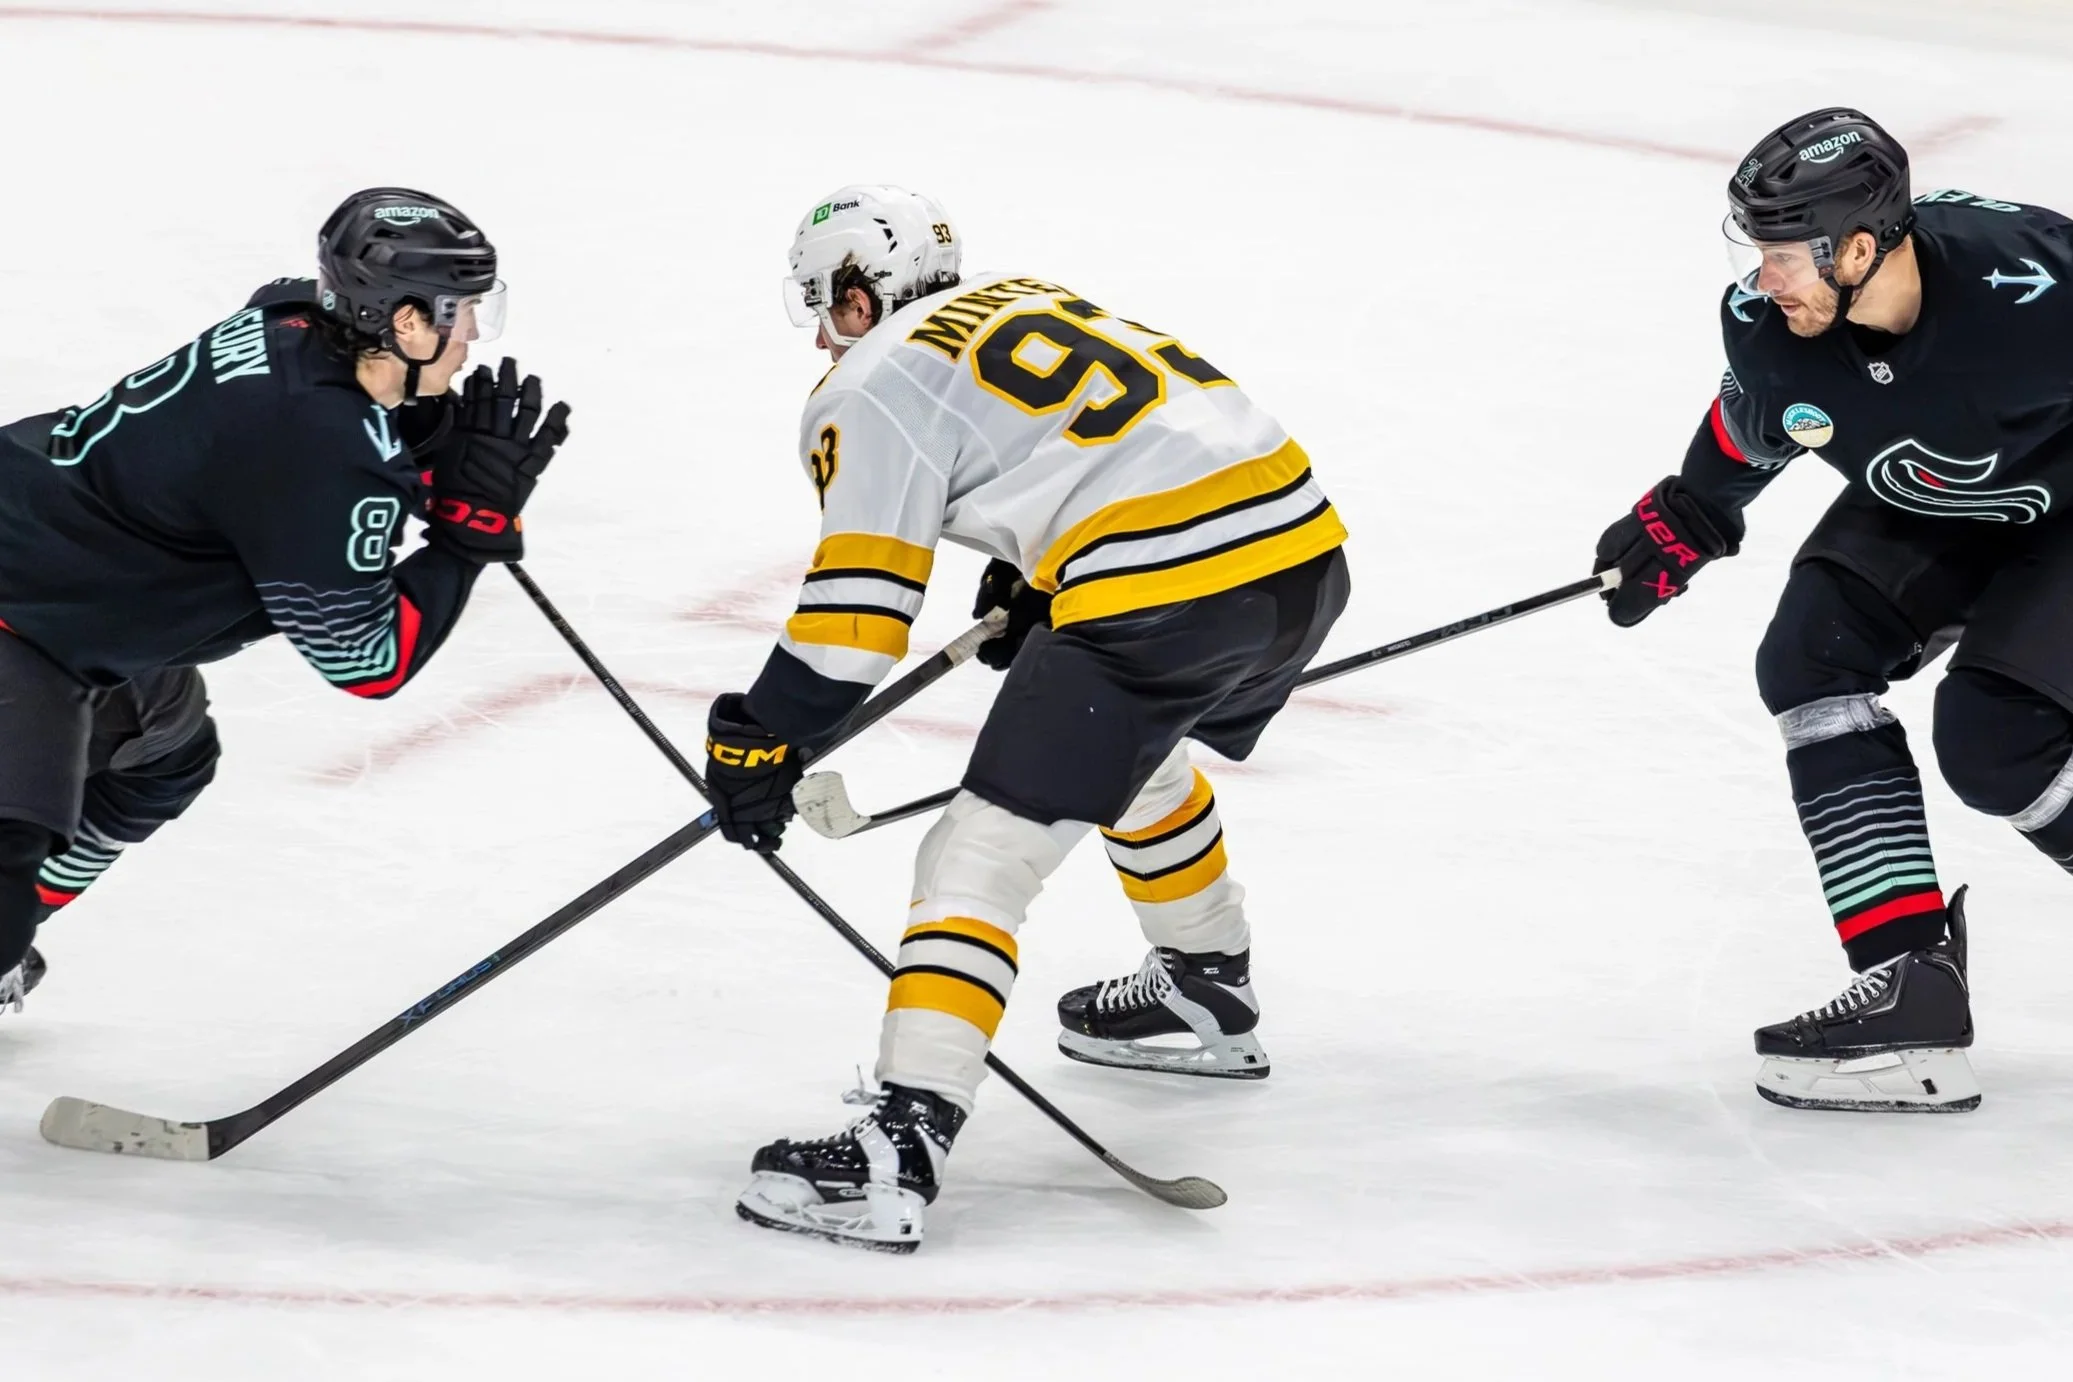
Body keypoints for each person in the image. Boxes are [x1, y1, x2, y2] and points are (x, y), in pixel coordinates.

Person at [701, 184, 1350, 1249]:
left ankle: (900, 1147)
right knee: (1128, 756)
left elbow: (856, 620)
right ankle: (1206, 984)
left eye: (826, 308)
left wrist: (762, 732)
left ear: (859, 298)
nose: (821, 336)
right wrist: (1042, 573)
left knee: (974, 856)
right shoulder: (1020, 296)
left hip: (1162, 590)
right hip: (1302, 561)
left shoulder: (868, 382)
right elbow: (1105, 450)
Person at [1591, 107, 2073, 1112]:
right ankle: (1909, 987)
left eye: (1783, 255)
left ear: (1858, 248)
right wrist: (1687, 516)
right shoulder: (1772, 327)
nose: (1762, 279)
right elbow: (1756, 423)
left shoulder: (2033, 285)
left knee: (1996, 737)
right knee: (1811, 656)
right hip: (1947, 493)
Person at [0, 187, 570, 1011]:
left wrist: (433, 438)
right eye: (461, 310)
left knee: (165, 755)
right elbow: (368, 661)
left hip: (50, 573)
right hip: (25, 626)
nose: (474, 333)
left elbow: (272, 430)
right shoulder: (322, 448)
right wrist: (466, 533)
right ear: (405, 322)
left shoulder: (290, 316)